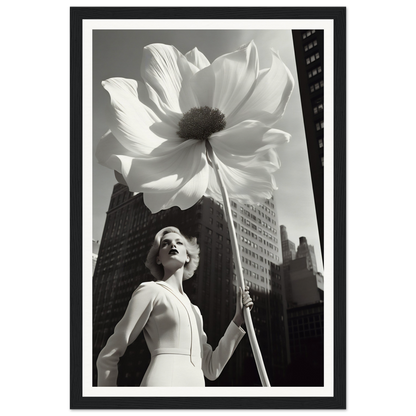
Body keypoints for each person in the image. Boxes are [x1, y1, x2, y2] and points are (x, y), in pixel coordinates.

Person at [97, 226, 254, 387]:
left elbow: (211, 369)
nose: (173, 245)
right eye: (165, 244)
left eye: (179, 243)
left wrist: (238, 320)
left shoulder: (195, 310)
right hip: (162, 385)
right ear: (158, 258)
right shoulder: (151, 290)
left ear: (187, 256)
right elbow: (109, 355)